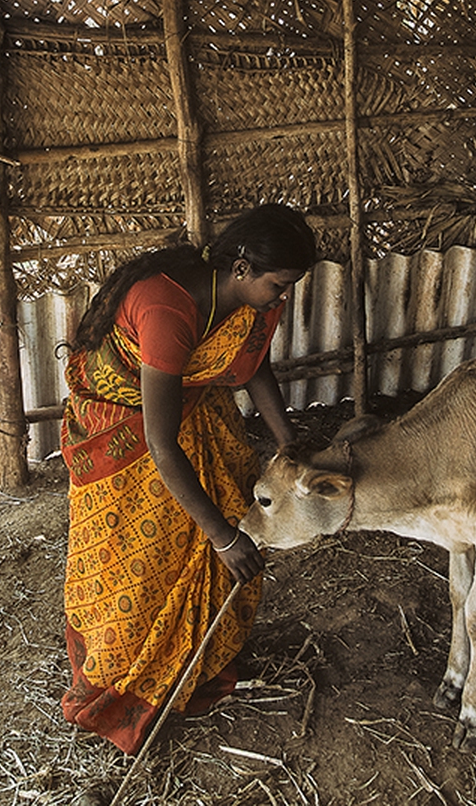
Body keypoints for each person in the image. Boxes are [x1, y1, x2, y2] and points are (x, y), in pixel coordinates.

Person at [58, 203, 316, 753]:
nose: (283, 296)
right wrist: (221, 537)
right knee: (145, 564)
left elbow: (253, 366)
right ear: (242, 268)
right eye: (279, 284)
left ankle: (201, 667)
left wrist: (288, 441)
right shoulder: (166, 309)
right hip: (125, 437)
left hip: (190, 416)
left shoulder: (244, 302)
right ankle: (126, 687)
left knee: (220, 514)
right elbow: (160, 441)